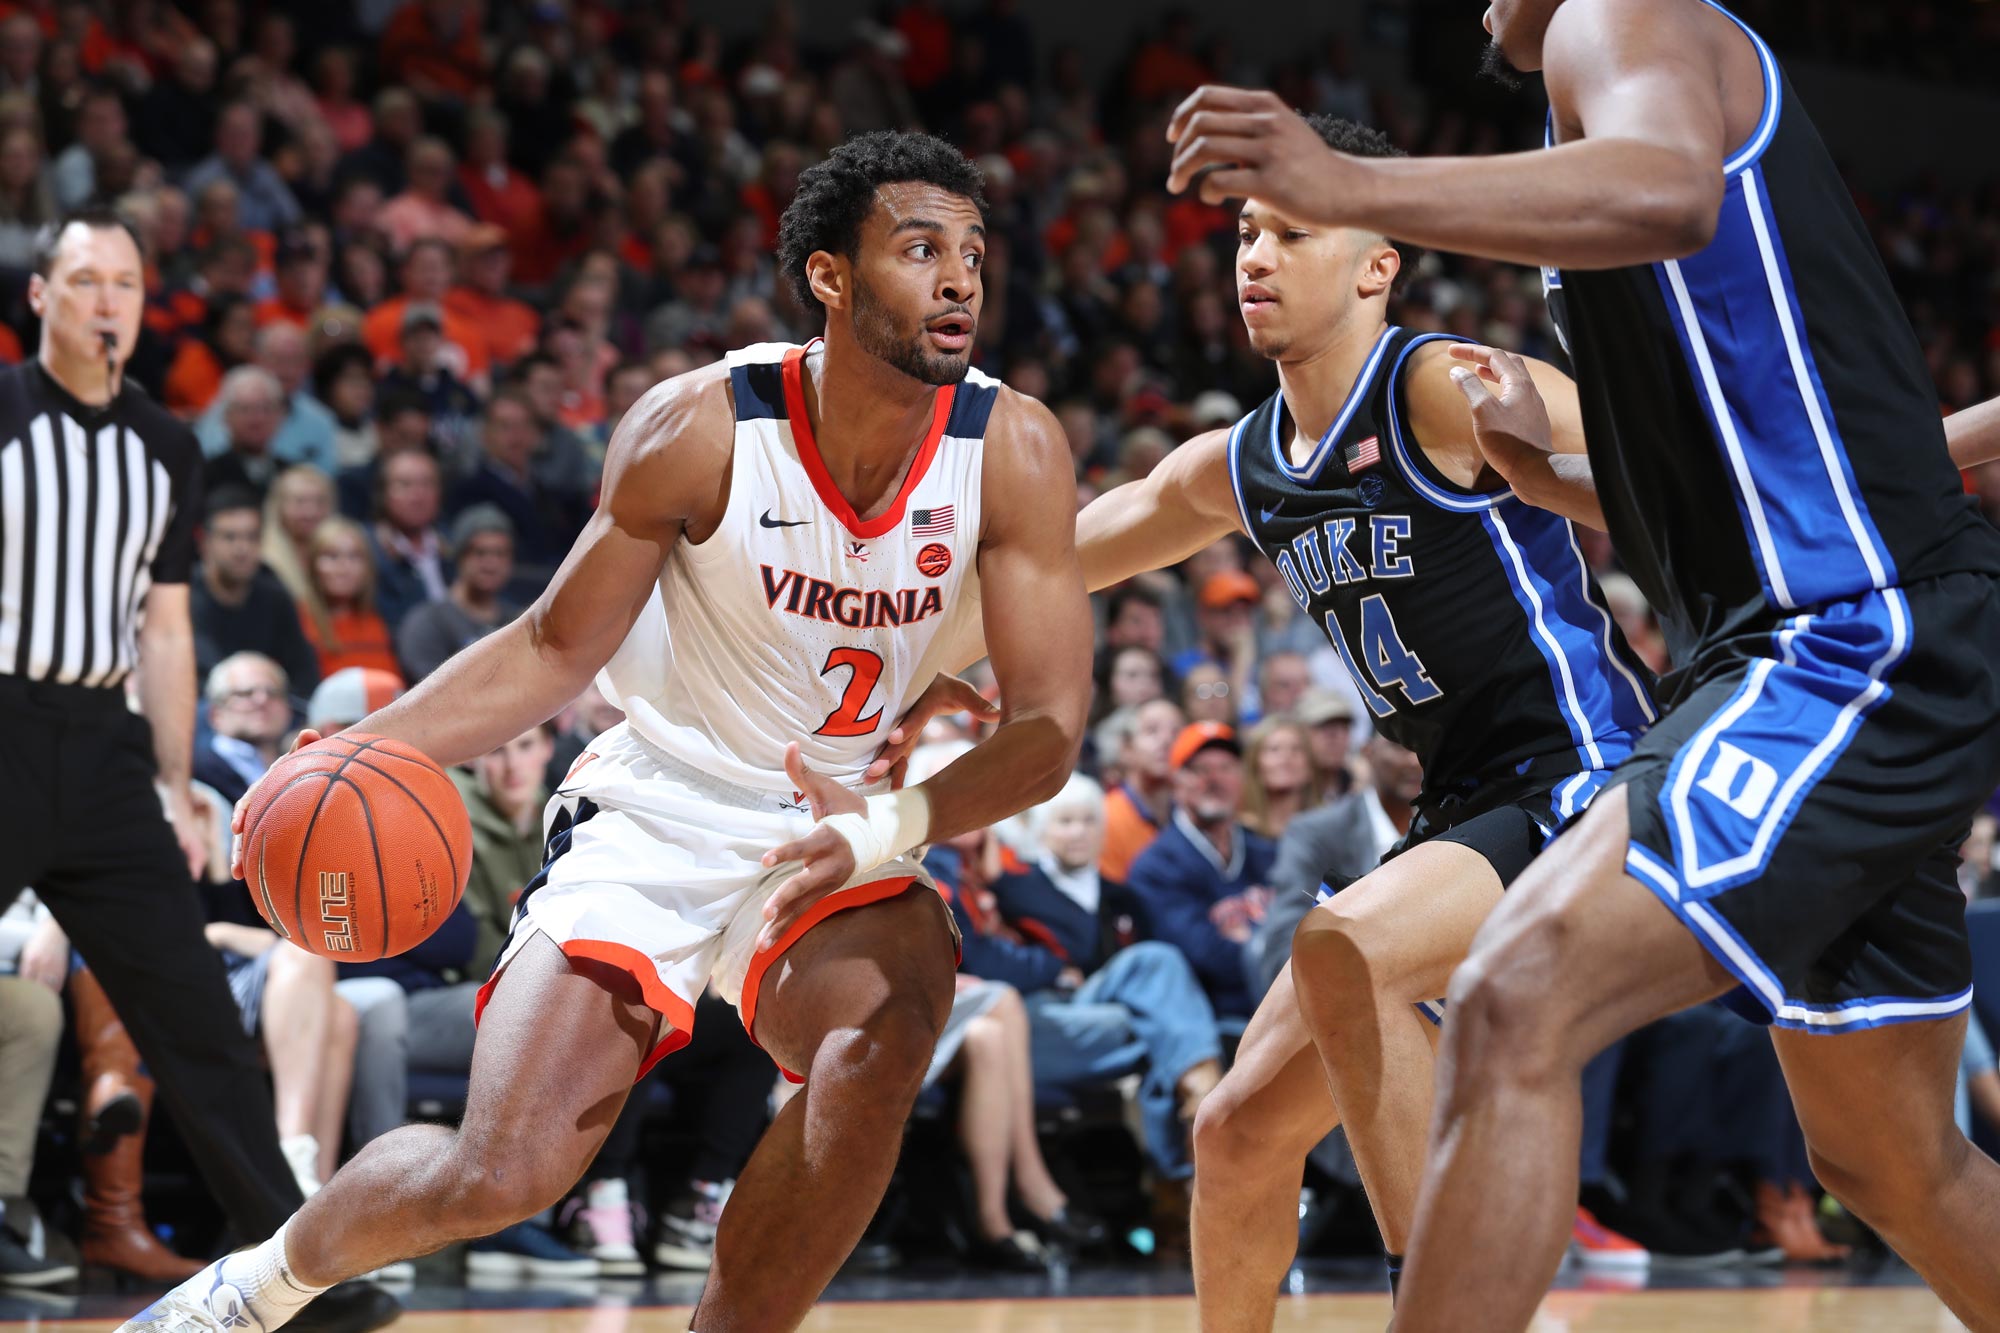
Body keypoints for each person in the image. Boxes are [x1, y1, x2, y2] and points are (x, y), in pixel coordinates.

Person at [124, 130, 1092, 1333]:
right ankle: (259, 1284)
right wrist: (371, 747)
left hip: (832, 824)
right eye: (919, 250)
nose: (958, 281)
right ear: (831, 279)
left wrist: (892, 821)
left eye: (972, 254)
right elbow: (548, 646)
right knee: (500, 1172)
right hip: (657, 804)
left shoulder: (1013, 448)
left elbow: (1050, 728)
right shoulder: (699, 427)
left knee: (887, 1031)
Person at [1164, 8, 2000, 1329]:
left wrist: (1350, 180)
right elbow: (1832, 444)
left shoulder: (1624, 18)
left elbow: (1662, 192)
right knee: (1893, 1158)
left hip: (1834, 635)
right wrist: (1546, 475)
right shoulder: (1605, 108)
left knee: (1510, 996)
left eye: (1292, 233)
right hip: (1811, 629)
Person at [892, 116, 1653, 1324]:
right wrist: (923, 654)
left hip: (1586, 777)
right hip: (1456, 807)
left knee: (1340, 940)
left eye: (1291, 230)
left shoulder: (1439, 387)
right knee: (1235, 1126)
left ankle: (1441, 1302)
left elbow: (1661, 467)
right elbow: (1065, 552)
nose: (1253, 254)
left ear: (1373, 264)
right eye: (1244, 231)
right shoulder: (1243, 464)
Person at [0, 207, 393, 1332]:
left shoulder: (167, 445)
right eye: (83, 280)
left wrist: (174, 785)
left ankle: (295, 1278)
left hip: (107, 749)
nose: (107, 300)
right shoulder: (1, 410)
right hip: (3, 731)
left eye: (124, 281)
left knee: (199, 1024)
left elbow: (165, 630)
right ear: (41, 298)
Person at [395, 505, 521, 683]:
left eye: (501, 554)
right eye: (480, 553)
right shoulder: (427, 621)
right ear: (460, 557)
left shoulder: (517, 620)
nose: (491, 563)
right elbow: (429, 693)